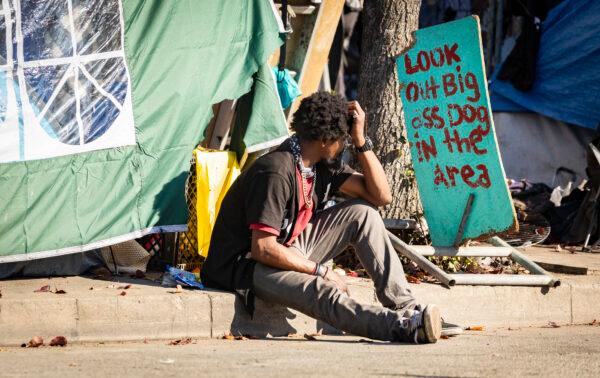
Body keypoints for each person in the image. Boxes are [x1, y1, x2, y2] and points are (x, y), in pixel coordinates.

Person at [201, 91, 445, 343]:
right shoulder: (275, 171)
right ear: (326, 140)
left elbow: (381, 196)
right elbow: (263, 248)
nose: (344, 145)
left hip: (285, 248)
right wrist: (321, 272)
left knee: (363, 213)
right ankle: (404, 326)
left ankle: (406, 307)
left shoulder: (321, 165)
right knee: (321, 289)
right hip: (246, 265)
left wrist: (361, 141)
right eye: (344, 139)